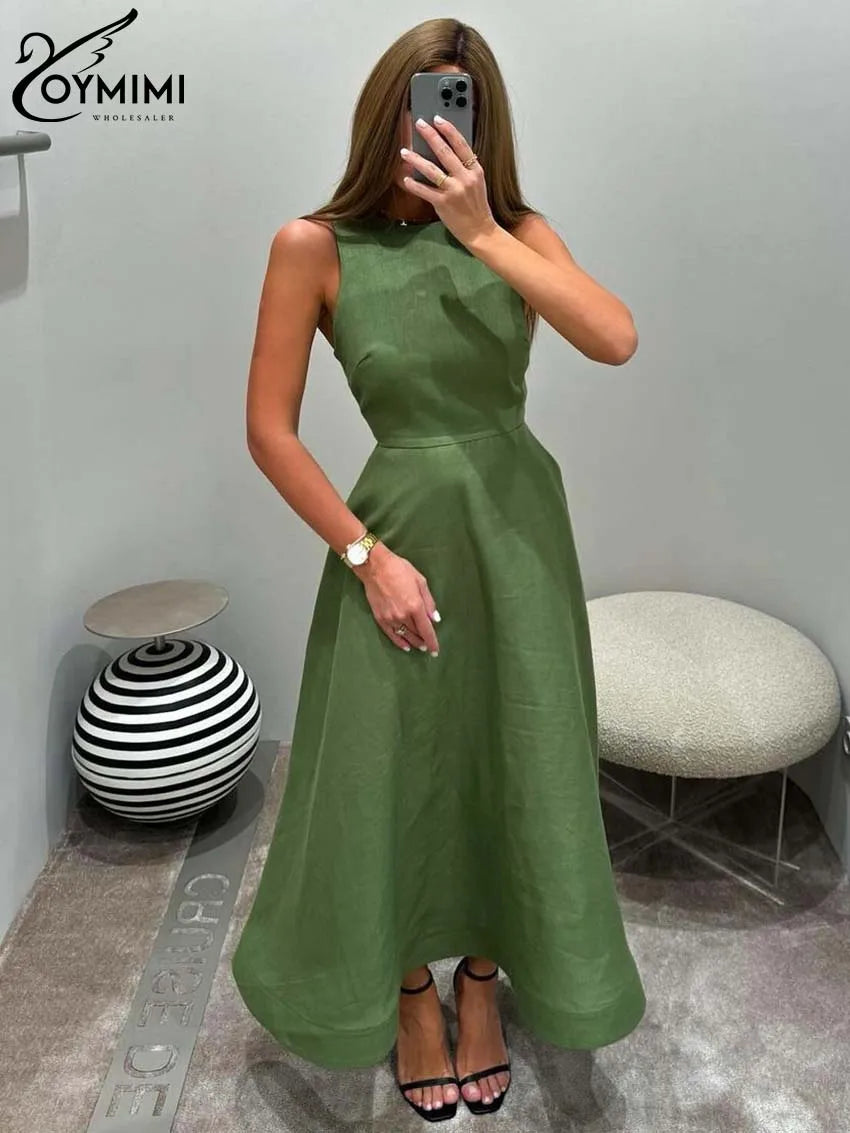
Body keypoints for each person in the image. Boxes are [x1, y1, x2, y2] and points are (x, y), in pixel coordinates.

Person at [231, 16, 646, 1123]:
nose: (440, 127)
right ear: (388, 115)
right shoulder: (314, 247)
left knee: (520, 753)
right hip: (396, 536)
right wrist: (367, 558)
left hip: (519, 532)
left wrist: (483, 232)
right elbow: (269, 430)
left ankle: (482, 979)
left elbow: (613, 337)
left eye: (460, 106)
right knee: (393, 769)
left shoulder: (519, 232)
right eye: (422, 105)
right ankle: (412, 985)